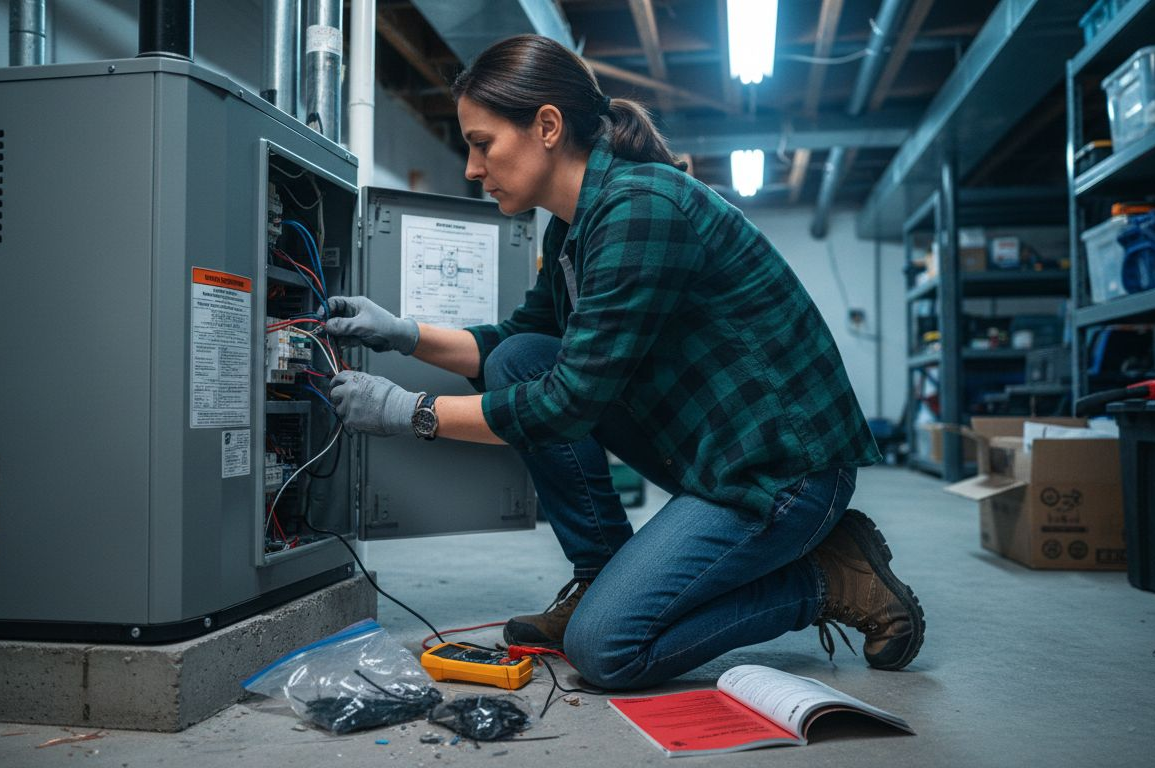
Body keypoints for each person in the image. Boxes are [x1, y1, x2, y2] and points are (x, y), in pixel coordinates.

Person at [322, 34, 924, 690]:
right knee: (522, 358)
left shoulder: (641, 208)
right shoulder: (575, 228)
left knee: (607, 650)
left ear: (547, 126)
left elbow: (569, 402)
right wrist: (403, 333)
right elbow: (516, 344)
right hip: (721, 458)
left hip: (785, 475)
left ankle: (826, 579)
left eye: (482, 142)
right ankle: (600, 574)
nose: (472, 167)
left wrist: (408, 413)